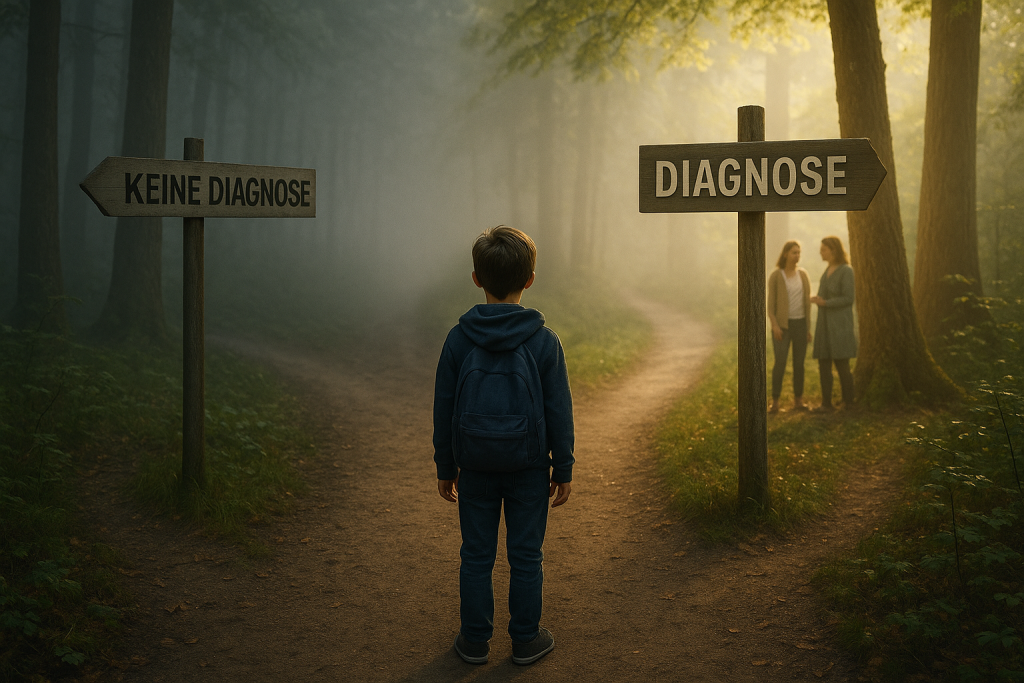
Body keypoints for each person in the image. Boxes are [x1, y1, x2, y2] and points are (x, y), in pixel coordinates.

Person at [433, 225, 574, 667]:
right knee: (526, 555)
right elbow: (559, 410)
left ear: (476, 279)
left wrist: (445, 465)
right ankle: (526, 640)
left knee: (476, 555)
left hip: (474, 466)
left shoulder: (459, 339)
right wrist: (563, 467)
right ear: (530, 279)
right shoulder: (544, 341)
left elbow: (443, 406)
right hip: (530, 468)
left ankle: (475, 642)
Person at [810, 235, 857, 411]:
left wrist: (826, 303)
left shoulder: (846, 270)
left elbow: (848, 298)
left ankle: (849, 402)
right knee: (824, 363)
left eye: (824, 249)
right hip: (824, 325)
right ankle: (826, 403)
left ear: (833, 250)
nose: (821, 252)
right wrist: (818, 299)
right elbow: (825, 295)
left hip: (839, 325)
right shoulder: (827, 270)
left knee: (842, 364)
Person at [767, 240, 812, 413]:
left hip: (800, 324)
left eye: (799, 253)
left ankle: (798, 401)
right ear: (785, 254)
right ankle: (775, 402)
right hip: (782, 327)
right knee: (780, 362)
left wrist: (807, 328)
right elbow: (770, 306)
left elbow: (807, 303)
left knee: (799, 364)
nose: (797, 256)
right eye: (794, 252)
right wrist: (775, 326)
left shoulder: (803, 275)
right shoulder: (777, 275)